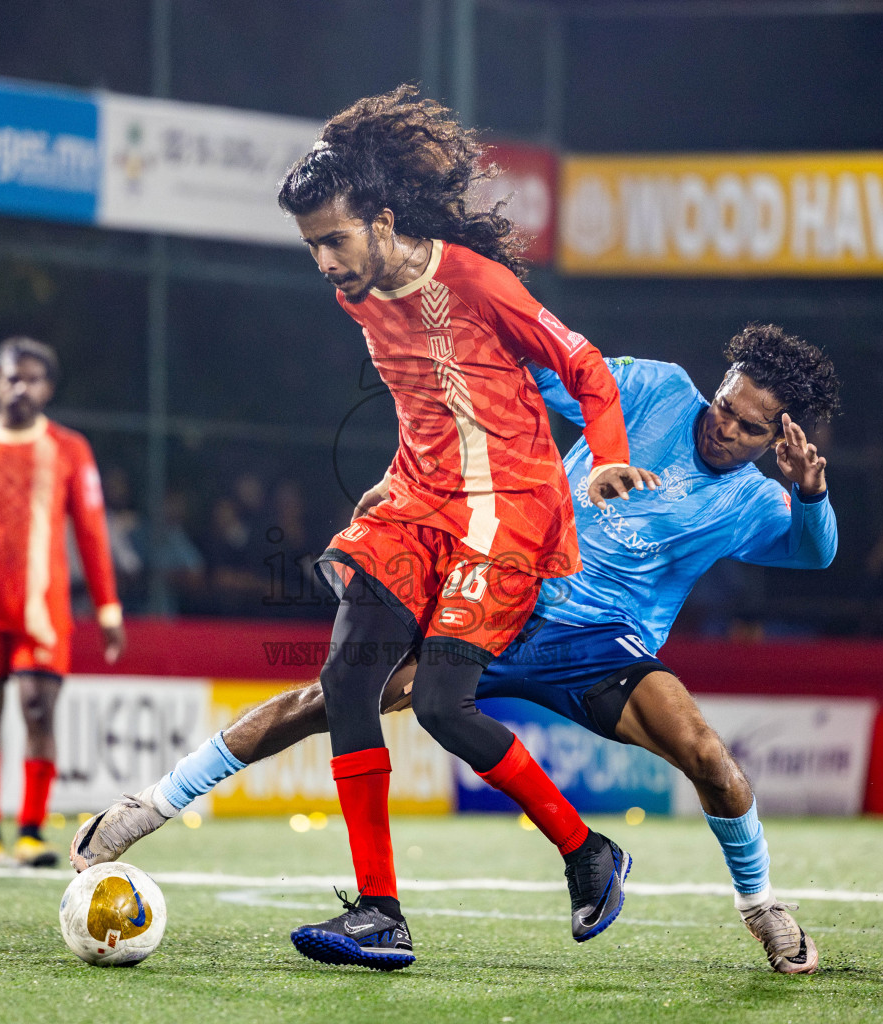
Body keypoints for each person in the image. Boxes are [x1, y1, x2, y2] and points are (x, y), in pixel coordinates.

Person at [73, 323, 840, 975]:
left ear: (781, 440)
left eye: (747, 427)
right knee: (333, 699)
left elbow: (816, 554)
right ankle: (150, 807)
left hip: (607, 647)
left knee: (710, 757)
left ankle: (761, 903)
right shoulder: (661, 391)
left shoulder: (755, 502)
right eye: (723, 406)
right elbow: (538, 381)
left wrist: (811, 495)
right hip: (503, 594)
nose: (722, 426)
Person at [196, 86, 657, 971]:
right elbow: (426, 396)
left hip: (510, 507)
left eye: (334, 239)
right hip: (419, 502)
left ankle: (587, 849)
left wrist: (603, 458)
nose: (325, 263)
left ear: (382, 218)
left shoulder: (478, 282)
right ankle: (380, 913)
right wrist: (389, 479)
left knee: (445, 708)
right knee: (345, 677)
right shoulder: (356, 293)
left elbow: (586, 366)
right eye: (311, 248)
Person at [0, 337, 127, 867]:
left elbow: (91, 531)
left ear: (48, 388)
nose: (21, 387)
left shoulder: (68, 449)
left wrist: (107, 607)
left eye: (32, 379)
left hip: (41, 608)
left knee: (38, 708)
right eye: (11, 377)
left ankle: (32, 831)